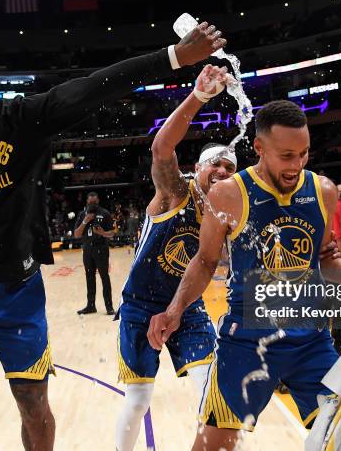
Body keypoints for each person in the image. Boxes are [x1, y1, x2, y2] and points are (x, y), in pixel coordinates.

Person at [0, 24, 227, 450]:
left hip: (18, 291)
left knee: (32, 402)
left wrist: (172, 57)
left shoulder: (21, 120)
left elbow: (90, 87)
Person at [147, 100, 341, 450]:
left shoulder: (323, 191)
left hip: (310, 343)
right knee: (210, 447)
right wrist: (175, 309)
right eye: (286, 156)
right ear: (259, 148)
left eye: (304, 154)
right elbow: (205, 262)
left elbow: (327, 260)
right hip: (246, 342)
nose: (296, 165)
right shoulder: (228, 194)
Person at [115, 64, 237, 451]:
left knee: (212, 393)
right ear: (198, 168)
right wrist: (199, 97)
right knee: (138, 402)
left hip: (188, 307)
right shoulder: (176, 191)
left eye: (229, 167)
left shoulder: (225, 212)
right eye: (215, 163)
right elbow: (160, 148)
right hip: (140, 306)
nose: (221, 170)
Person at [75, 192, 115, 315]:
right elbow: (76, 235)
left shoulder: (105, 214)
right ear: (87, 201)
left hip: (101, 250)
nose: (92, 203)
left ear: (98, 201)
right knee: (89, 277)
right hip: (87, 250)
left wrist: (103, 233)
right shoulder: (82, 215)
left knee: (104, 277)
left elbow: (113, 234)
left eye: (94, 201)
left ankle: (109, 307)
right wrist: (85, 222)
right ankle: (91, 305)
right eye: (90, 201)